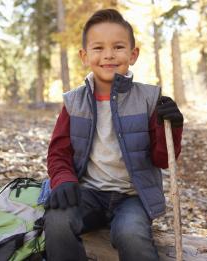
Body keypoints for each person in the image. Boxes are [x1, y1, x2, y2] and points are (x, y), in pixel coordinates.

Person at [44, 8, 183, 261]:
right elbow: (58, 152)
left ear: (133, 54)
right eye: (98, 48)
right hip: (87, 193)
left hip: (132, 197)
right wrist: (63, 180)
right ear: (84, 56)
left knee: (131, 234)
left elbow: (162, 159)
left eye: (118, 47)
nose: (108, 55)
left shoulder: (149, 100)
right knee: (56, 220)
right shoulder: (74, 102)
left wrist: (172, 127)